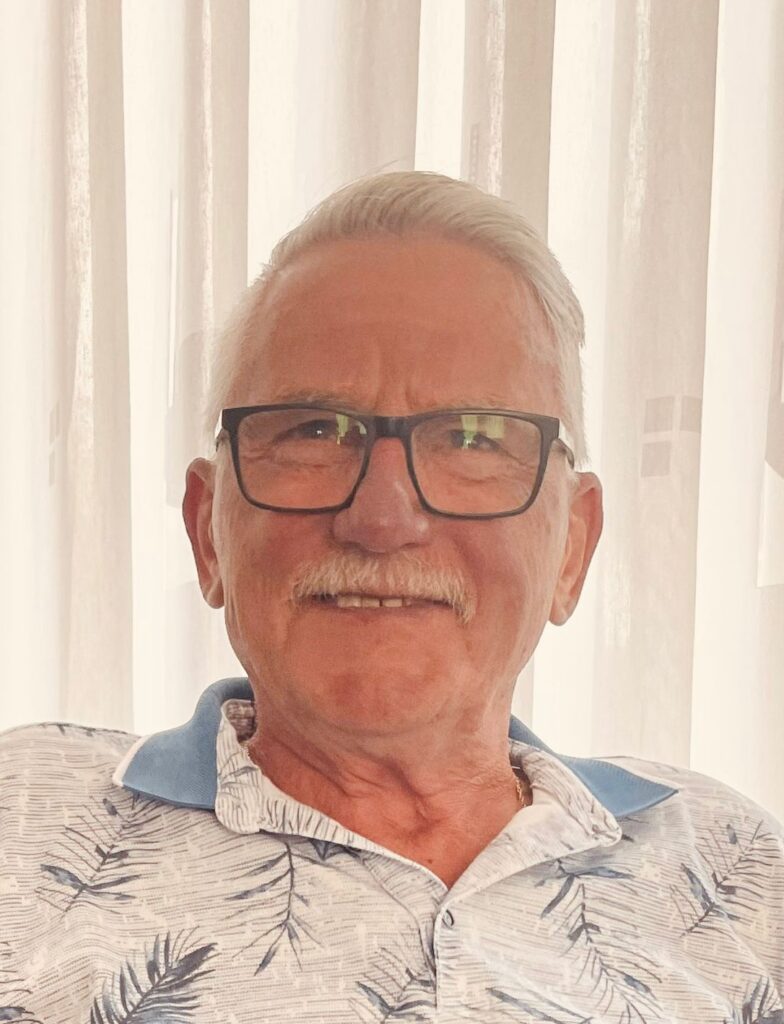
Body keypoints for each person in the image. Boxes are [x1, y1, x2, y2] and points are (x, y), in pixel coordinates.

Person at [1, 171, 781, 1023]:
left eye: (473, 437)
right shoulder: (24, 820)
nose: (382, 518)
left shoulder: (734, 867)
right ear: (207, 531)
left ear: (573, 548)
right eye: (312, 431)